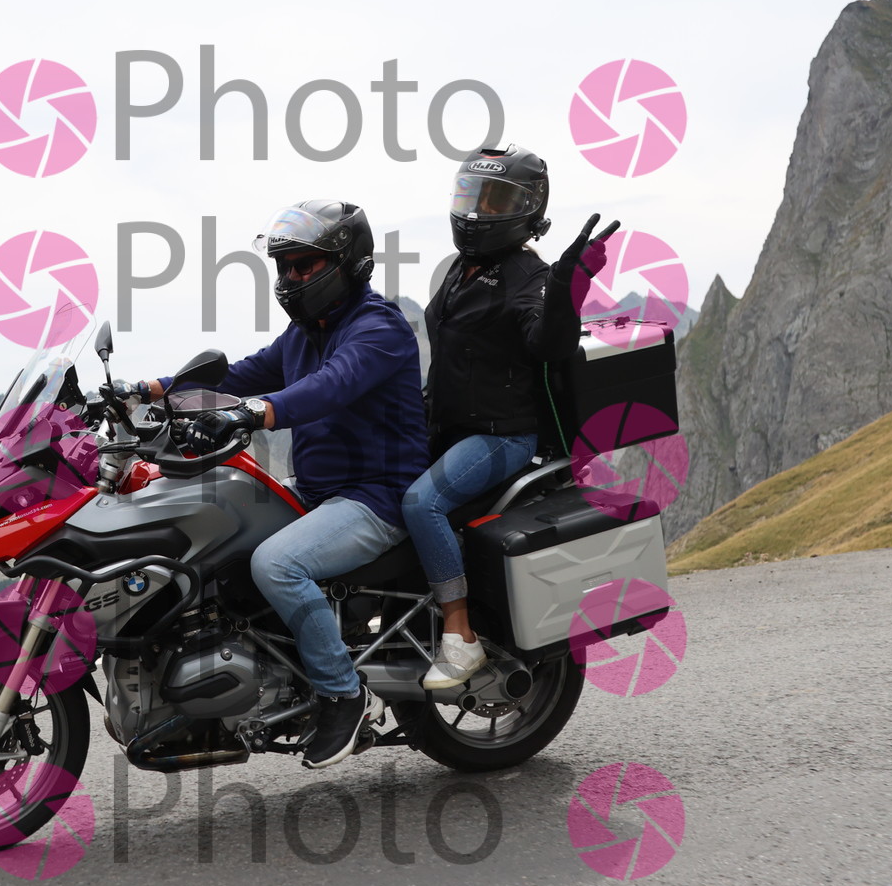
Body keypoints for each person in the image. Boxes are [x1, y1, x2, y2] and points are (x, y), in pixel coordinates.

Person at [141, 200, 428, 768]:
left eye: (305, 265)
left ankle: (343, 694)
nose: (292, 278)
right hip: (320, 489)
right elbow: (240, 374)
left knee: (277, 564)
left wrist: (253, 412)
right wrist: (152, 388)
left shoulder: (378, 328)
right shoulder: (304, 332)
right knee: (218, 526)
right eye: (285, 267)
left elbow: (329, 386)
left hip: (377, 496)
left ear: (347, 263)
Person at [405, 145, 617, 688]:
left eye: (494, 200)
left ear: (527, 208)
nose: (477, 211)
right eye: (471, 196)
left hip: (502, 436)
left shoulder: (527, 274)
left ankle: (460, 636)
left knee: (422, 503)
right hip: (450, 429)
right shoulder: (463, 269)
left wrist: (567, 287)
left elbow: (547, 342)